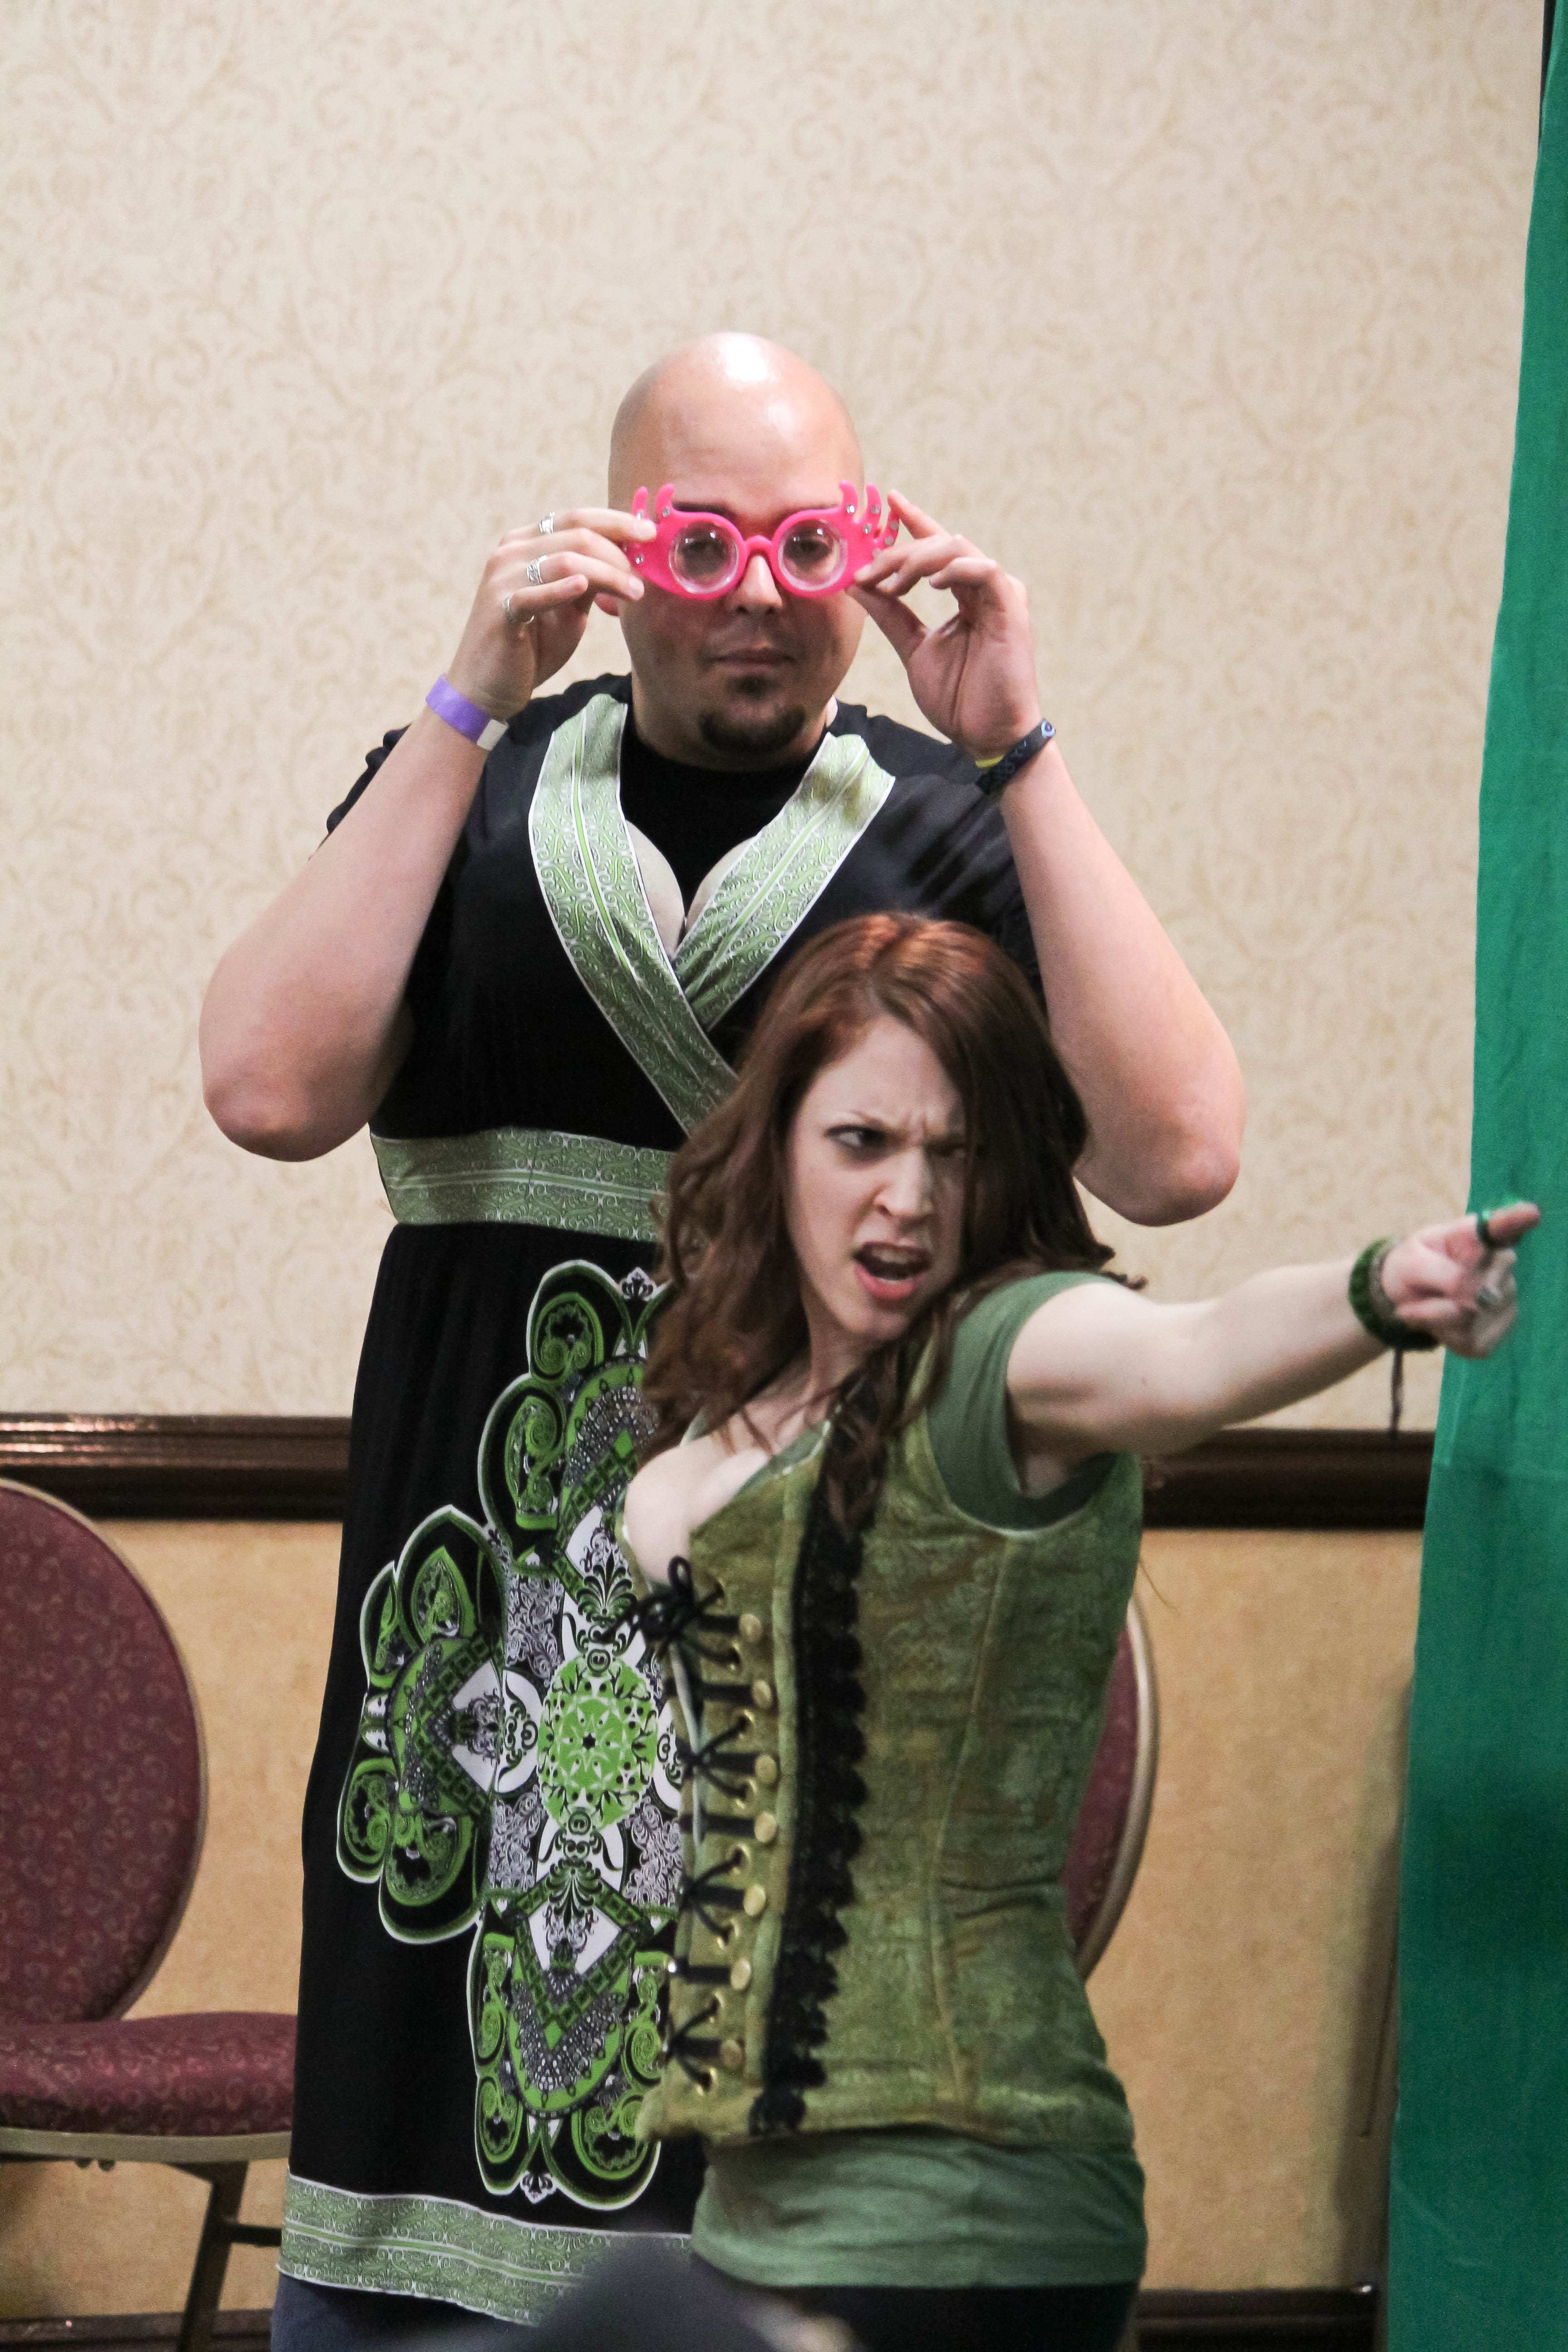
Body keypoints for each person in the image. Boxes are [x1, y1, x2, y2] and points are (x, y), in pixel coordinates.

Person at [199, 333, 1245, 2338]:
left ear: (869, 548)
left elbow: (1180, 1152)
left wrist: (1020, 741)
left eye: (805, 543)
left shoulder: (946, 823)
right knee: (425, 2126)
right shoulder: (478, 789)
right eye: (701, 544)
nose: (758, 594)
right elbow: (266, 1088)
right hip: (477, 1628)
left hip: (796, 1628)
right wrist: (465, 697)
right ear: (615, 550)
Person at [614, 915, 1534, 2352]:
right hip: (750, 2204)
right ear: (776, 1145)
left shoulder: (1011, 1358)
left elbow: (1191, 1353)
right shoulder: (723, 1430)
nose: (910, 1199)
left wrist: (1376, 1293)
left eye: (961, 1152)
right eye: (863, 1142)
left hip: (971, 2208)